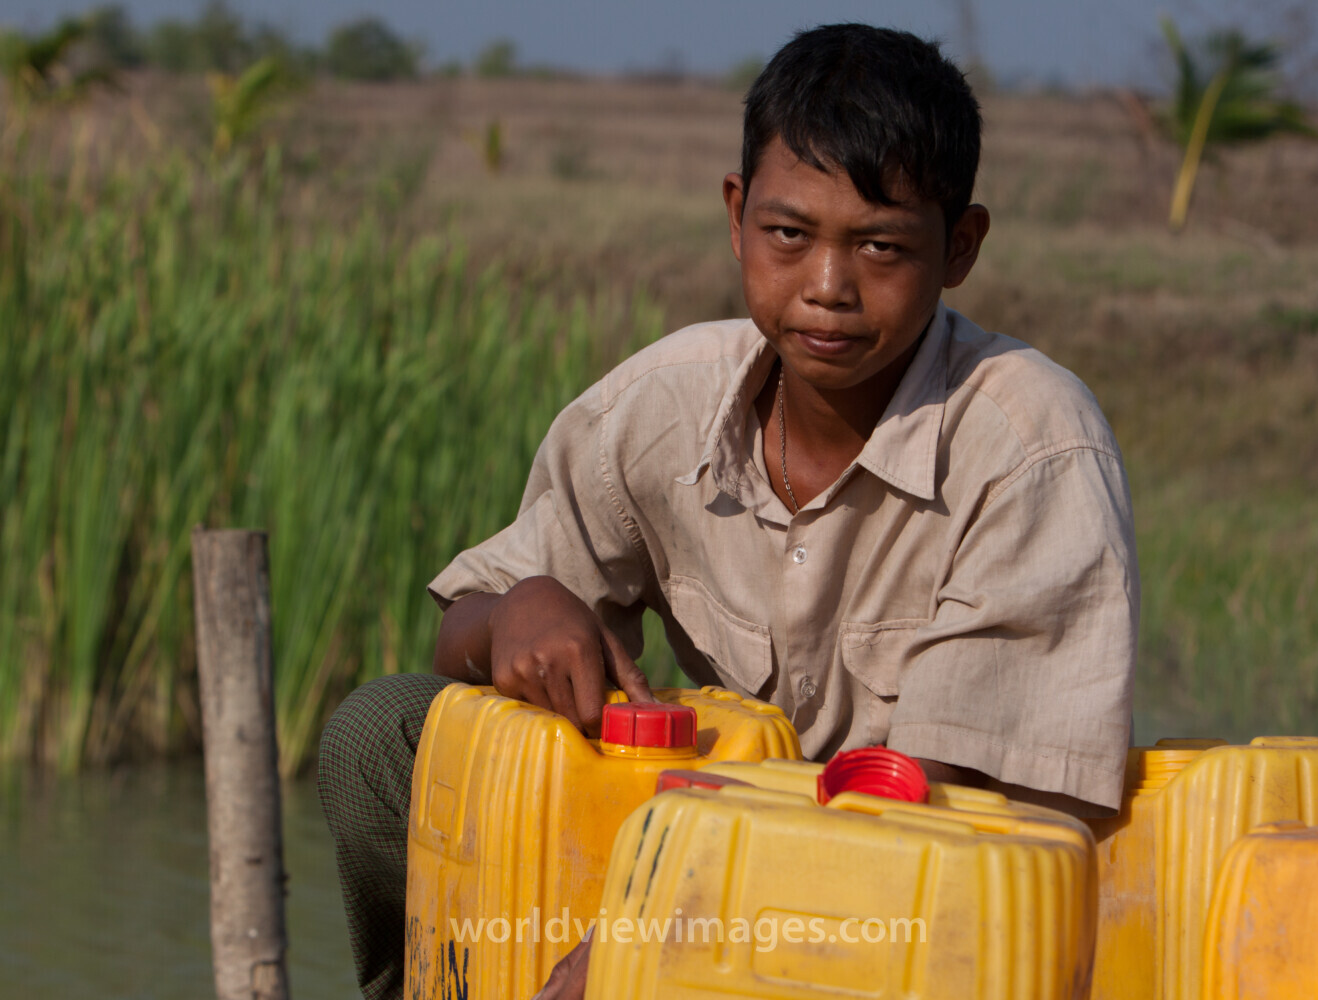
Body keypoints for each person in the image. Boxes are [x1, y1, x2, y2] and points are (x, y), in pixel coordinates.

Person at [319, 23, 1138, 1000]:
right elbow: (469, 628)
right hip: (704, 848)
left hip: (917, 910)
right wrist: (519, 609)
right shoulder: (664, 405)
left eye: (881, 247)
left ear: (959, 247)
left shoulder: (1030, 443)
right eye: (790, 236)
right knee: (385, 730)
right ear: (738, 215)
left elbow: (936, 811)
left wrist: (646, 934)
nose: (828, 288)